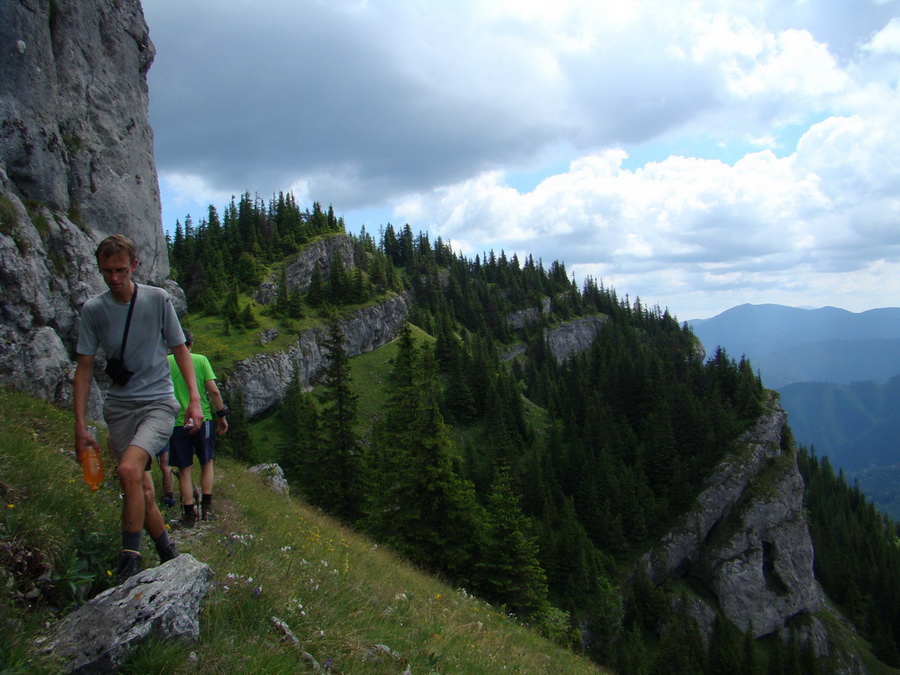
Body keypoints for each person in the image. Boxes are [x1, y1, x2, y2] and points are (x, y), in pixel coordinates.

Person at [73, 234, 203, 583]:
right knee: (141, 488)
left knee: (130, 472)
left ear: (134, 266)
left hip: (158, 404)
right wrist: (80, 425)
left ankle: (129, 561)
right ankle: (167, 552)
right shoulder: (94, 310)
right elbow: (84, 367)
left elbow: (180, 349)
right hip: (119, 409)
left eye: (120, 270)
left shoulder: (157, 300)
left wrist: (193, 399)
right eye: (106, 271)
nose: (114, 278)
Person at [166, 330, 228, 526]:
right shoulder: (200, 360)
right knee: (206, 462)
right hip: (203, 419)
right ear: (190, 344)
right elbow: (214, 391)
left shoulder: (166, 362)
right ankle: (207, 509)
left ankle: (189, 513)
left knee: (184, 469)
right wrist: (222, 415)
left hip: (177, 422)